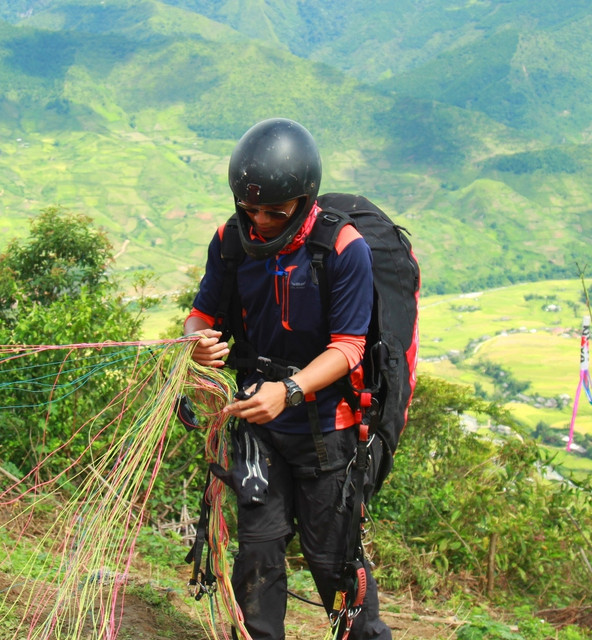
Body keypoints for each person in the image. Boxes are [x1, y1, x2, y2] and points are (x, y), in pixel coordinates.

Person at [184, 118, 392, 640]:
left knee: (332, 560)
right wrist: (198, 342)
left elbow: (349, 347)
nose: (261, 220)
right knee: (257, 551)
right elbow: (201, 314)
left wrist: (291, 390)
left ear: (304, 199)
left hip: (326, 429)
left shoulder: (342, 249)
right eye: (250, 209)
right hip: (257, 422)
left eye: (274, 212)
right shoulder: (231, 241)